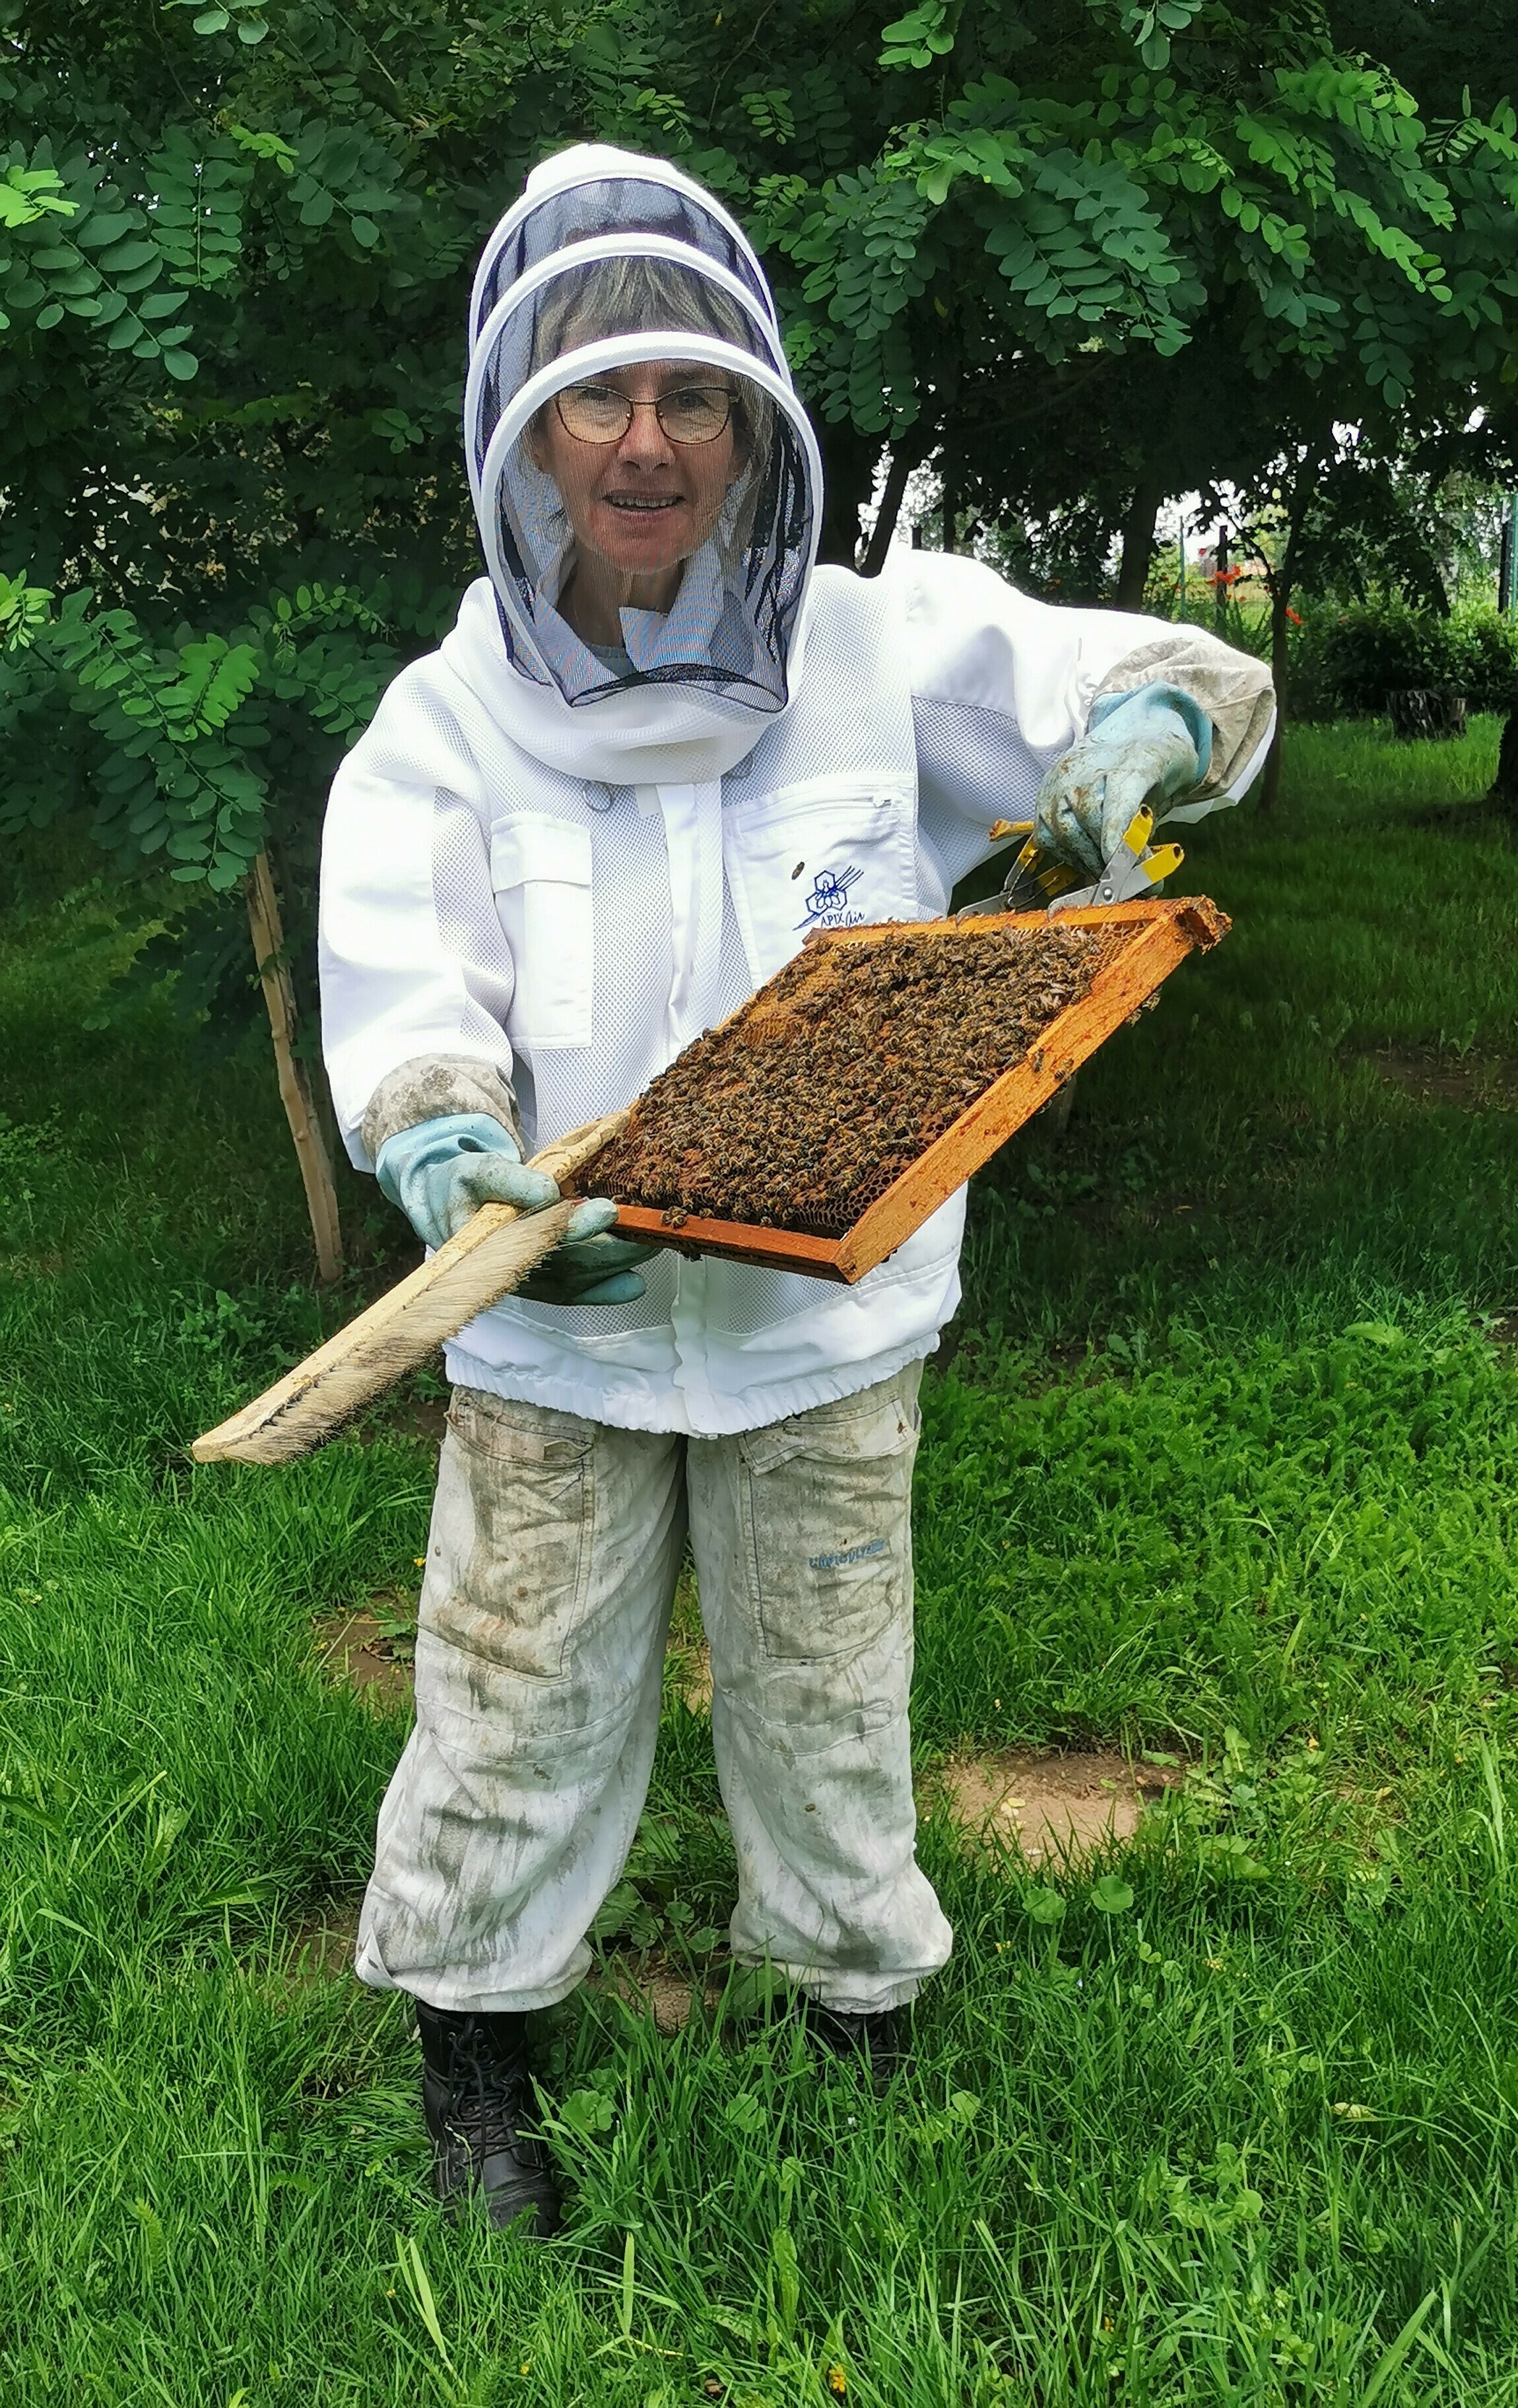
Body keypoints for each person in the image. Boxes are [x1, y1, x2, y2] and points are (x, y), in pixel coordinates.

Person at [318, 143, 1275, 2236]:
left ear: (753, 423)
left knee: (832, 1685)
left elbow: (1171, 678)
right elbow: (408, 987)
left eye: (688, 400)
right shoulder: (442, 725)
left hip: (827, 1325)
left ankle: (857, 2007)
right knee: (511, 1693)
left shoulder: (880, 644)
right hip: (556, 1325)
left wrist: (1139, 733)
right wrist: (439, 1145)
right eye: (594, 398)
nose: (644, 445)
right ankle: (474, 2045)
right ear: (521, 434)